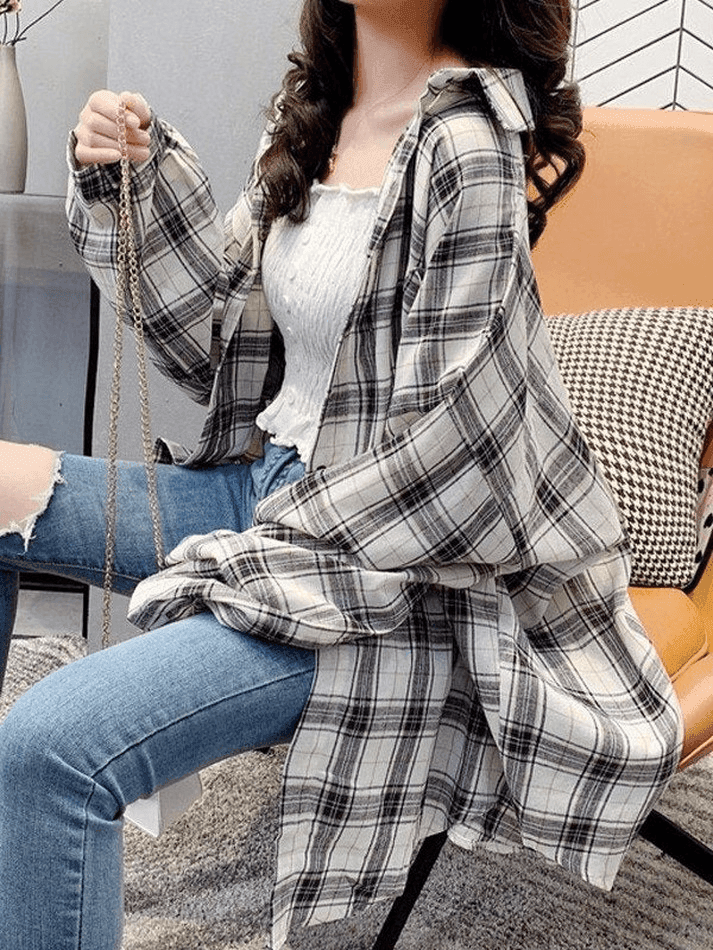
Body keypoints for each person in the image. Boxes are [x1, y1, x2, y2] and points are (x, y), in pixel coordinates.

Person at [0, 1, 683, 948]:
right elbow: (217, 344)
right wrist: (127, 176)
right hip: (262, 493)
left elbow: (457, 457)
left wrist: (245, 558)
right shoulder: (318, 118)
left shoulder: (466, 144)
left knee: (51, 746)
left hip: (386, 572)